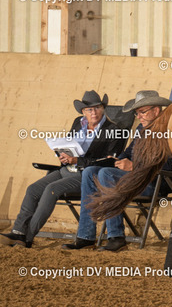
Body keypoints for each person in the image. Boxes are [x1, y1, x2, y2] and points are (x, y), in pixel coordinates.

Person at [0, 91, 126, 248]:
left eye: (97, 108)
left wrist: (78, 160)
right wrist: (64, 154)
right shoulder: (78, 123)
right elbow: (69, 144)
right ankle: (18, 232)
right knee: (32, 189)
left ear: (103, 108)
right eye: (89, 109)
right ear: (83, 111)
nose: (93, 112)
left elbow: (108, 162)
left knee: (51, 189)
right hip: (66, 169)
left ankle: (28, 237)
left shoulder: (113, 130)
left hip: (85, 175)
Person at [62, 90, 172, 252]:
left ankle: (116, 237)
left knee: (106, 174)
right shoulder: (141, 128)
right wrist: (117, 160)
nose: (139, 116)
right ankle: (85, 236)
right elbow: (129, 152)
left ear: (156, 110)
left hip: (155, 182)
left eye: (142, 112)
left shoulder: (170, 130)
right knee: (90, 172)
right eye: (137, 113)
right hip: (136, 179)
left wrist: (135, 167)